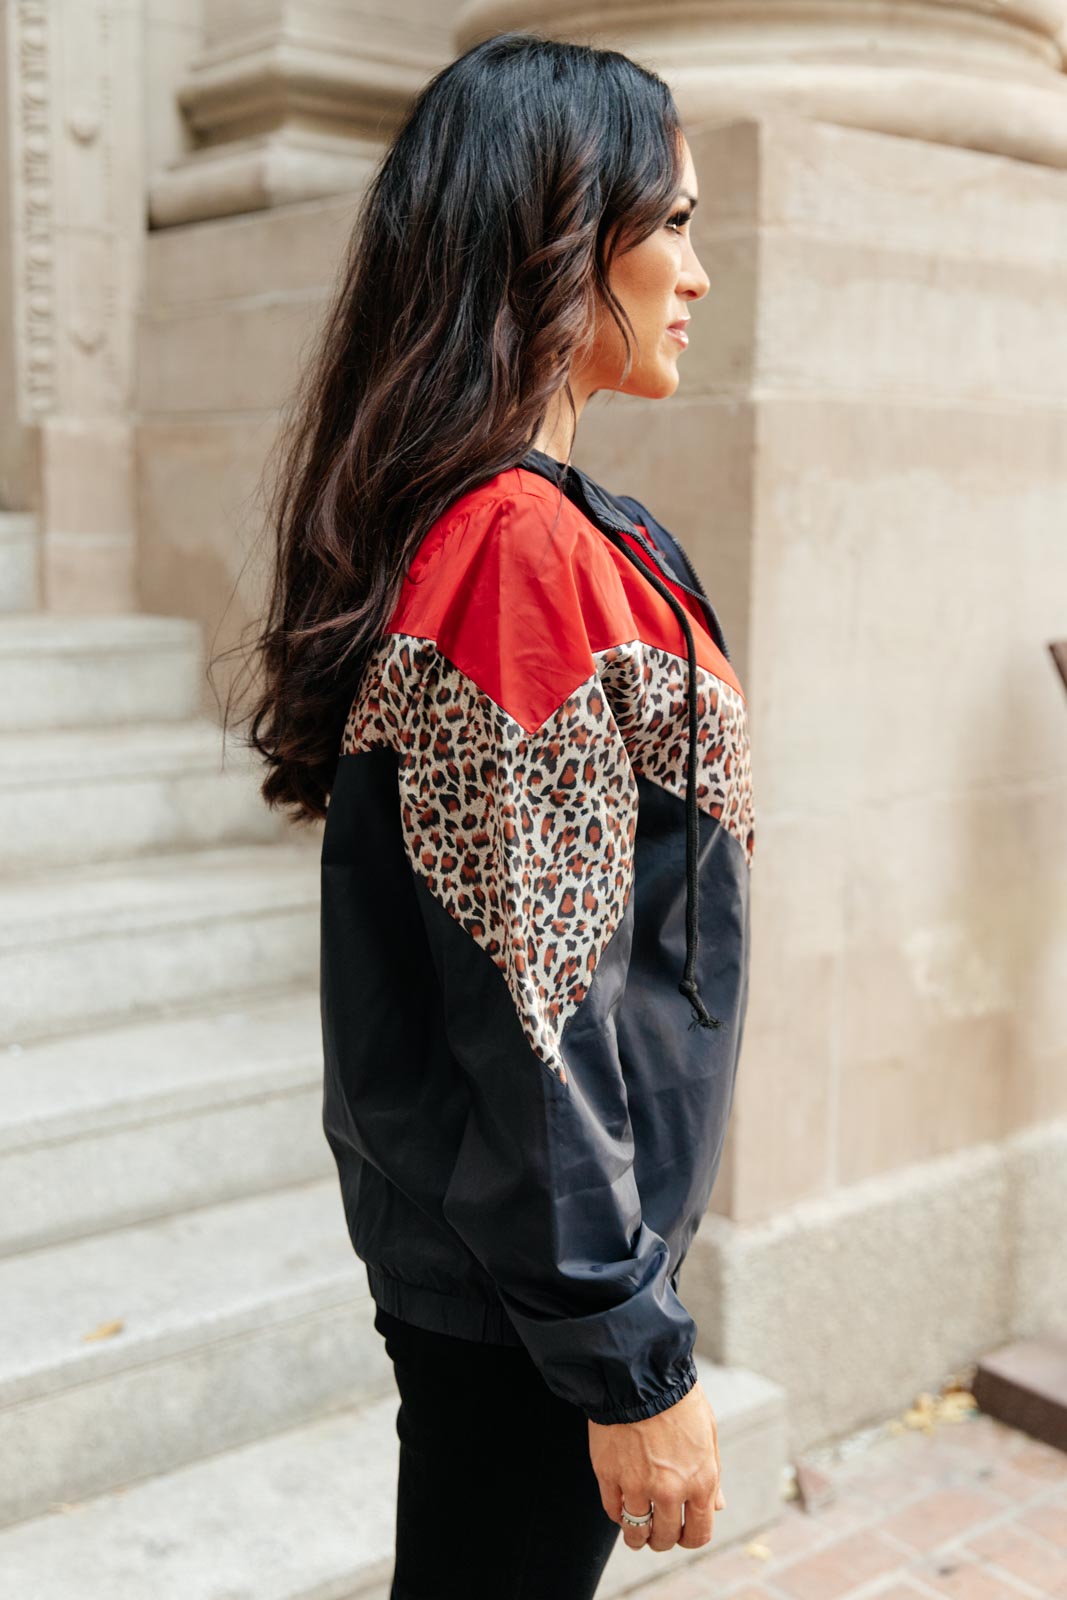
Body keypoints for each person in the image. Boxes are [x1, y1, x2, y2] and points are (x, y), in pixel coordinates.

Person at [238, 29, 755, 1600]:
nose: (698, 273)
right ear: (560, 232)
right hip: (532, 1301)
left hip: (523, 1281)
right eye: (674, 223)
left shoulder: (555, 530)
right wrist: (623, 1348)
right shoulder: (514, 551)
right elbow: (536, 1000)